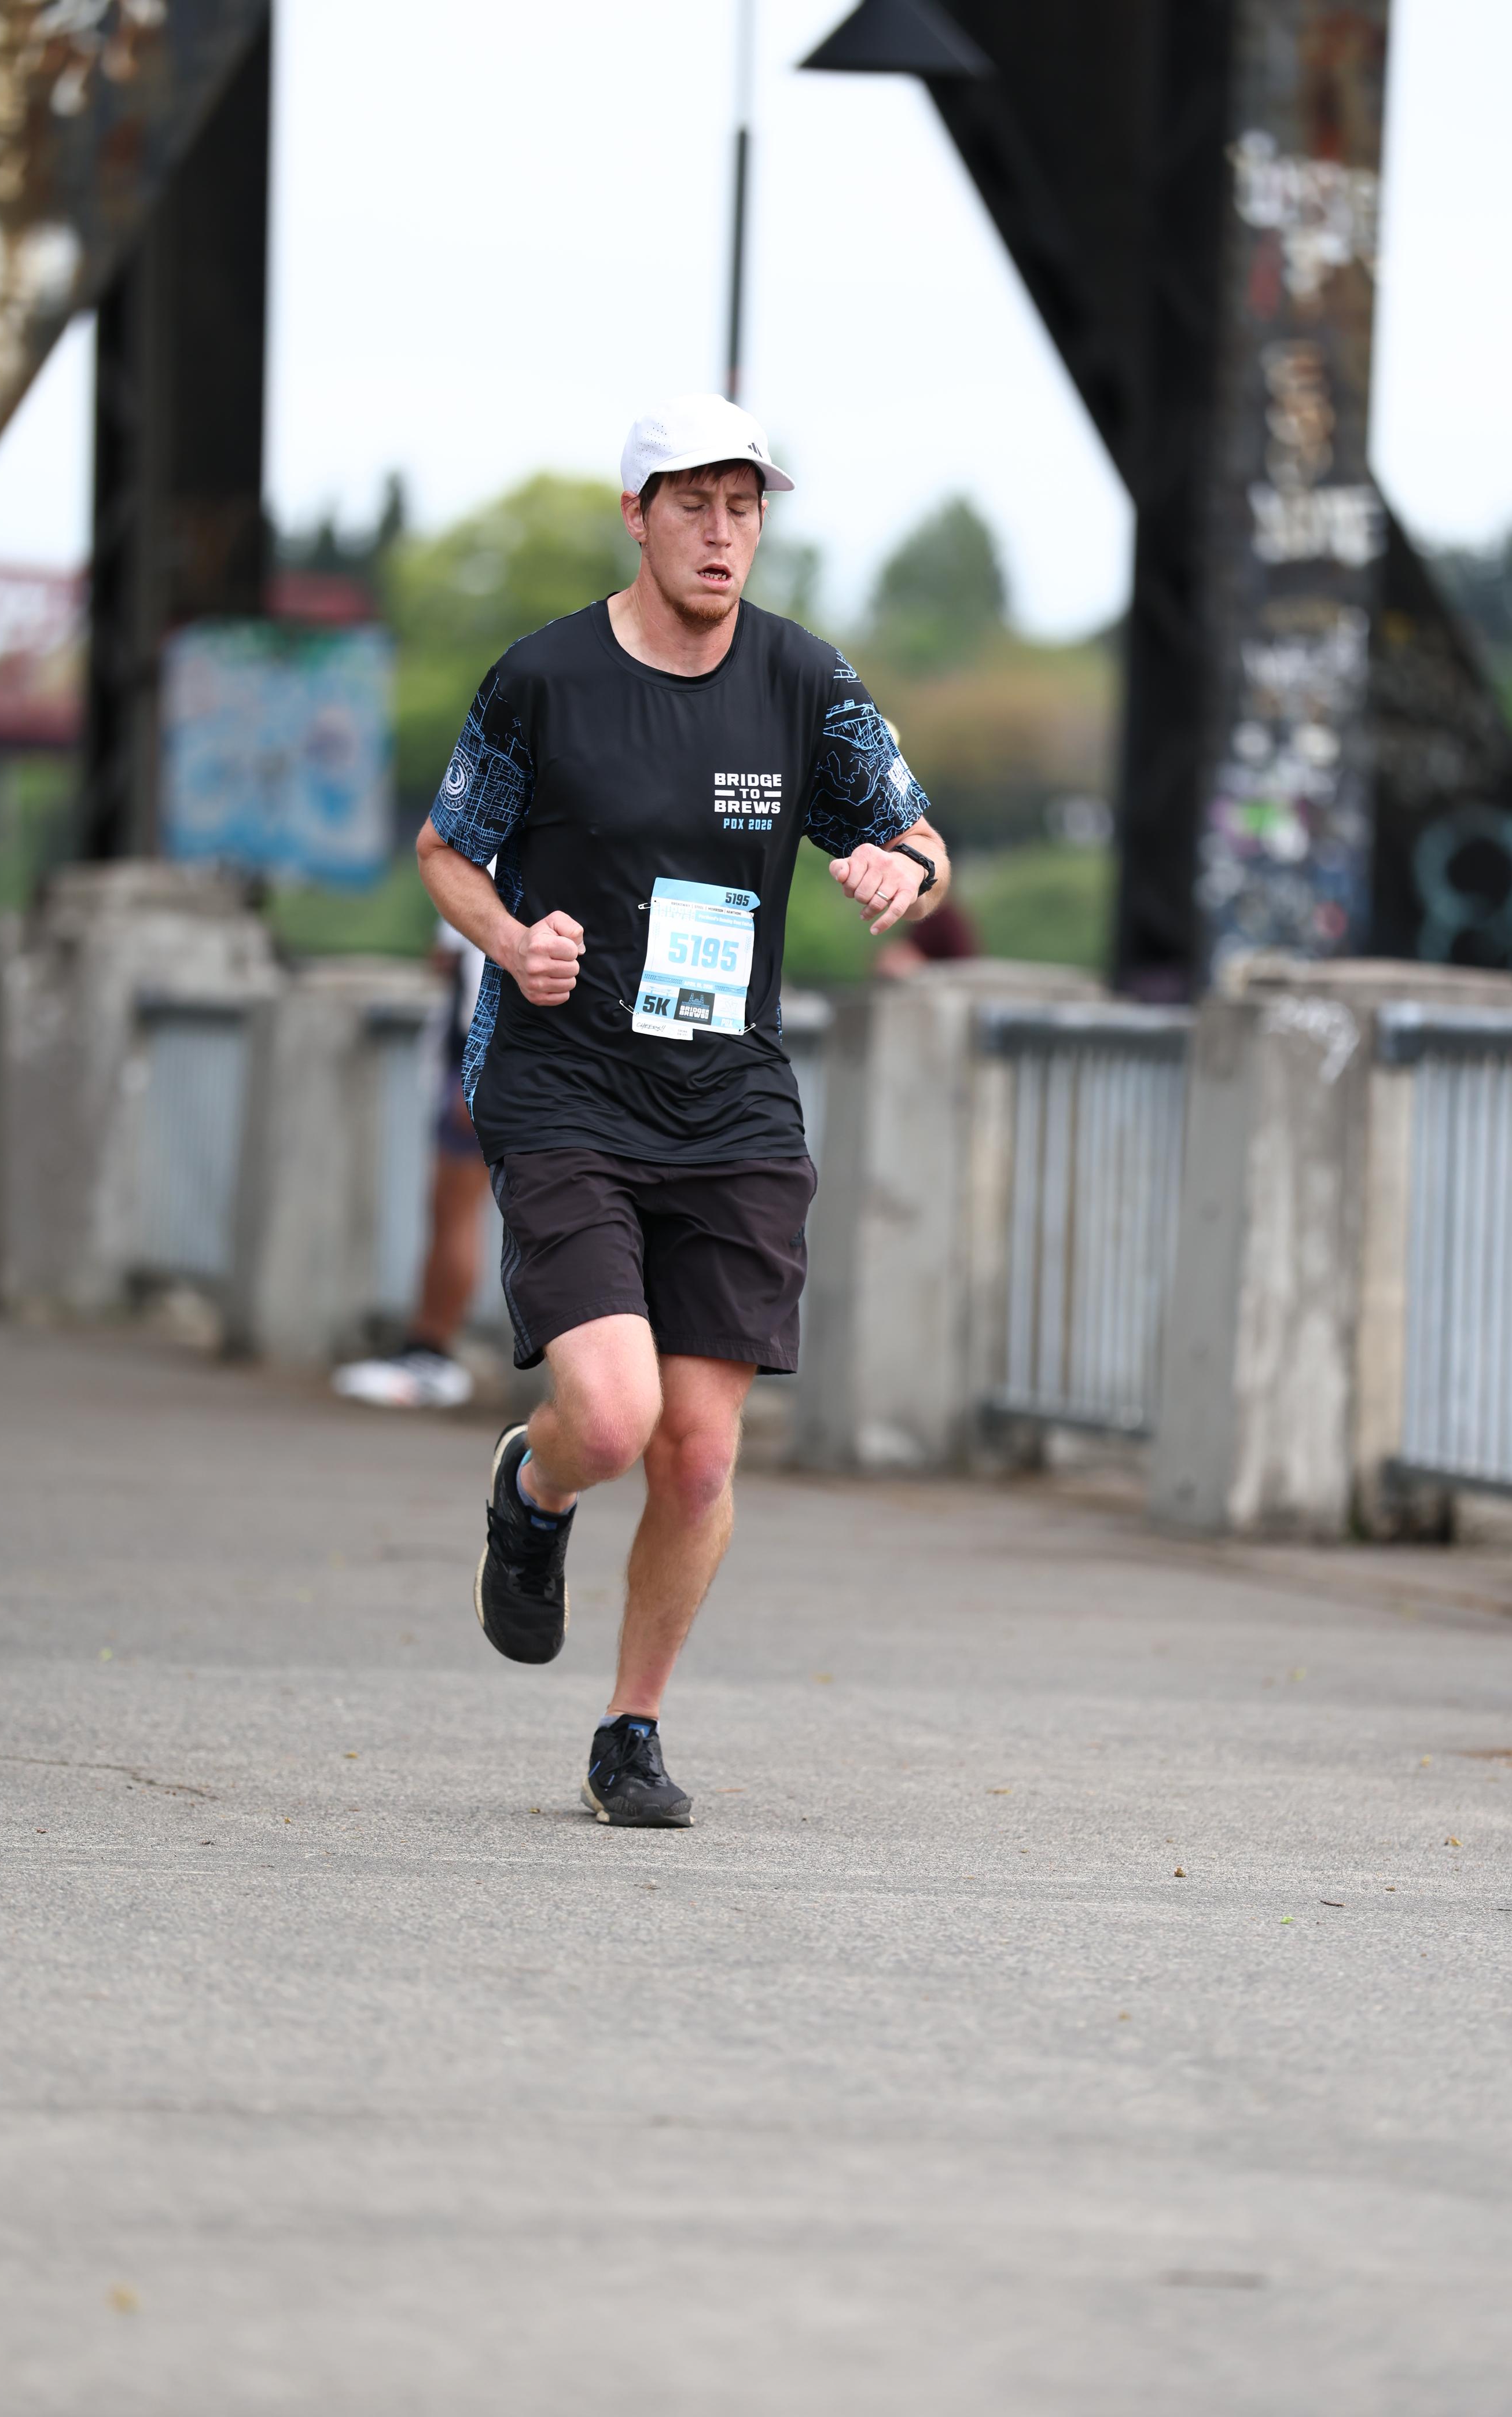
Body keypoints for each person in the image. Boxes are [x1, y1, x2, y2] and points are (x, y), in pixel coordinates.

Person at [414, 393, 949, 1827]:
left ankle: (630, 1729)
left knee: (699, 1451)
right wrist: (509, 939)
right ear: (636, 517)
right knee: (610, 1415)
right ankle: (535, 1491)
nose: (722, 534)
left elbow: (916, 833)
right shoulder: (543, 679)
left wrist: (902, 870)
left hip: (730, 1104)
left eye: (744, 508)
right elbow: (447, 848)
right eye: (694, 505)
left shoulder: (802, 681)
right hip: (566, 1085)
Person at [332, 920, 491, 1410]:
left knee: (457, 1214)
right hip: (468, 1061)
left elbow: (484, 969)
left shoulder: (497, 876)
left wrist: (481, 1067)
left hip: (477, 1066)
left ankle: (432, 1353)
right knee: (447, 1213)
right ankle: (425, 1346)